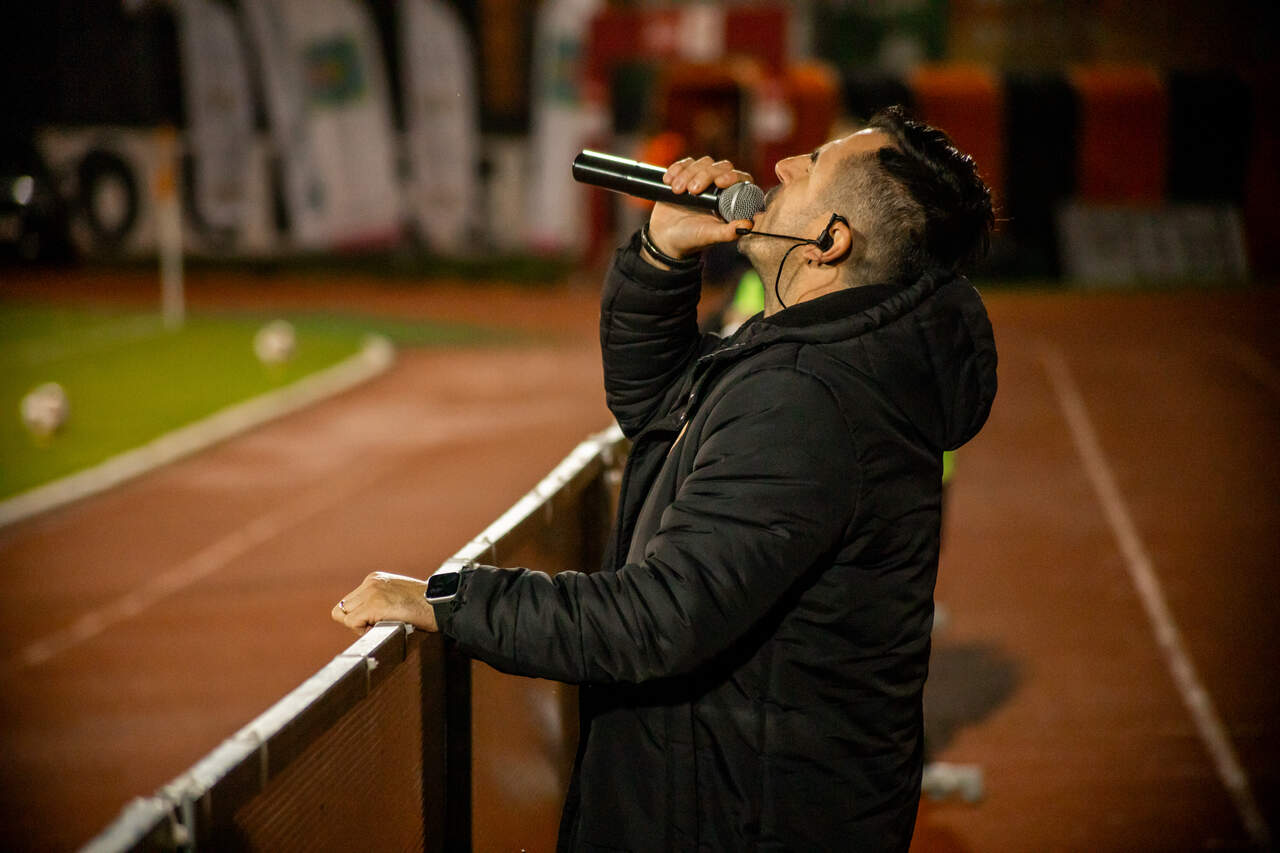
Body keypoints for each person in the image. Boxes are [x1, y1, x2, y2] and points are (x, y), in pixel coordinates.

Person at [333, 106, 997, 852]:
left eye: (811, 165)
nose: (781, 166)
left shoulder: (808, 396)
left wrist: (447, 600)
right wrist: (661, 256)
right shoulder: (831, 359)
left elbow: (657, 617)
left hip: (731, 821)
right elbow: (664, 412)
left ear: (828, 242)